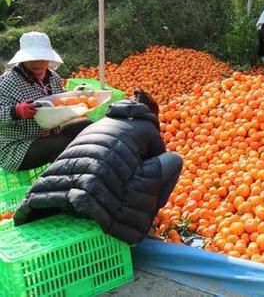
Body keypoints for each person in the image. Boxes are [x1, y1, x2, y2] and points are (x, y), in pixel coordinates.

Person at [14, 89, 183, 245]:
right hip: (95, 204)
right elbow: (154, 172)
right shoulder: (147, 127)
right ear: (151, 113)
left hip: (55, 201)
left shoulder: (100, 122)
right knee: (173, 160)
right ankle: (148, 222)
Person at [0, 32, 91, 173]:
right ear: (23, 59)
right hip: (18, 147)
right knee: (61, 144)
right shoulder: (9, 82)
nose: (37, 63)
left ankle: (91, 165)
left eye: (42, 58)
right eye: (32, 58)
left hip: (50, 133)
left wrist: (78, 97)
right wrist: (16, 112)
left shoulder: (53, 77)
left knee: (86, 126)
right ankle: (65, 180)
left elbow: (61, 100)